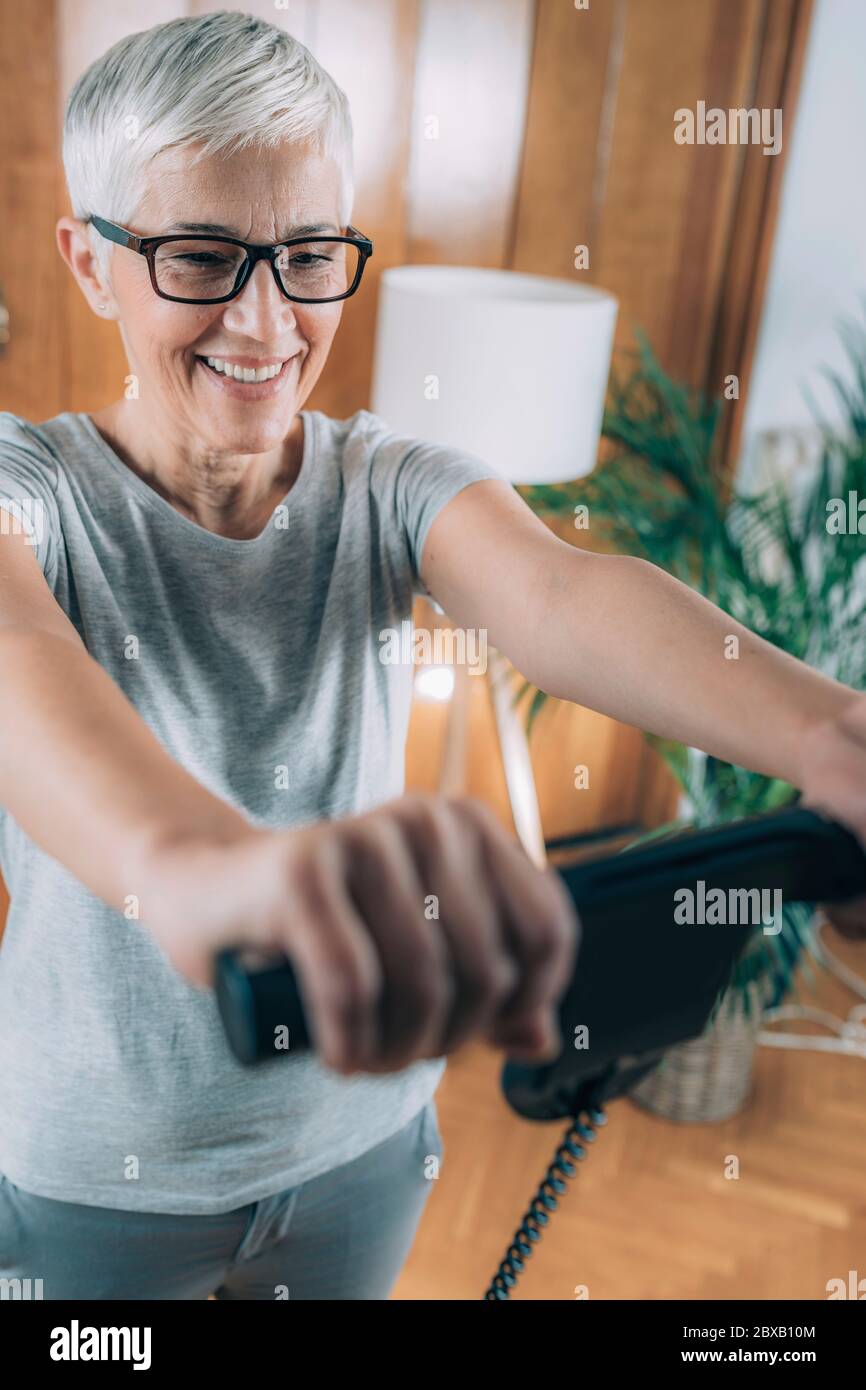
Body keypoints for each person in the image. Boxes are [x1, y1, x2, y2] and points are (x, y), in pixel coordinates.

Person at [0, 11, 862, 1301]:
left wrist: (831, 737)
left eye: (306, 257)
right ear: (89, 262)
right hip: (98, 1184)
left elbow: (565, 596)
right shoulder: (36, 486)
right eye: (199, 256)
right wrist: (200, 870)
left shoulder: (388, 481)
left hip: (360, 1149)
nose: (266, 318)